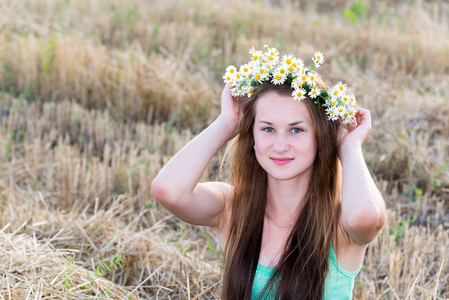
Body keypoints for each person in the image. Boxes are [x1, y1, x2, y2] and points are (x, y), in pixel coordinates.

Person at [151, 46, 386, 300]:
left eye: (296, 130)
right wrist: (227, 123)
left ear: (320, 137)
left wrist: (349, 147)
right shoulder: (232, 209)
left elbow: (366, 216)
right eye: (267, 129)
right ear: (251, 135)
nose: (280, 145)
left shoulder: (341, 226)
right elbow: (168, 190)